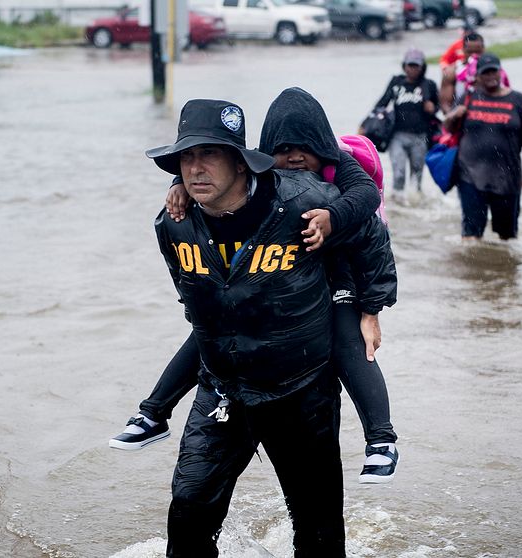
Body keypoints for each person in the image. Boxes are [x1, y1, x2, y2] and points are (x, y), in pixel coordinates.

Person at [145, 98, 396, 555]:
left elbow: (369, 226)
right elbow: (191, 300)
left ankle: (381, 438)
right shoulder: (174, 222)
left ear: (242, 164)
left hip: (302, 385)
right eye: (187, 158)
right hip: (224, 388)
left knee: (318, 527)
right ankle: (150, 413)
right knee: (187, 513)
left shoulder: (309, 199)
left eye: (210, 155)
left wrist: (372, 306)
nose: (197, 170)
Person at [443, 53, 522, 240]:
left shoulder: (518, 100)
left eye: (493, 71)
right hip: (469, 174)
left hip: (507, 177)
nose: (490, 77)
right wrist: (454, 115)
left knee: (507, 236)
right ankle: (474, 268)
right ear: (477, 76)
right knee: (471, 234)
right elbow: (448, 128)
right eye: (485, 73)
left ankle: (502, 267)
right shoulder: (469, 97)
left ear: (500, 72)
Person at [374, 48, 440, 195]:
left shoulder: (429, 85)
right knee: (399, 172)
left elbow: (439, 106)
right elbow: (381, 104)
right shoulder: (396, 83)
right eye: (410, 65)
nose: (413, 69)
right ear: (404, 66)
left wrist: (433, 108)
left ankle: (414, 203)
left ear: (422, 67)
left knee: (417, 175)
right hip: (397, 135)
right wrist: (368, 125)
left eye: (416, 66)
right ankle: (397, 203)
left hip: (420, 136)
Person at [439, 32, 510, 113]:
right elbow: (445, 105)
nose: (474, 56)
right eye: (470, 52)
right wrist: (456, 117)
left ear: (484, 49)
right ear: (463, 50)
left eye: (478, 52)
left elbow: (506, 95)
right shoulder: (452, 72)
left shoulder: (493, 70)